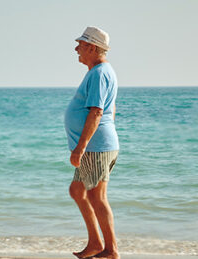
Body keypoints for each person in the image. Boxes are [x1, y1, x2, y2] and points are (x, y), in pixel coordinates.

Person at [65, 26, 120, 259]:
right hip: (98, 145)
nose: (77, 48)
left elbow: (97, 111)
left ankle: (110, 249)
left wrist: (82, 146)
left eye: (81, 44)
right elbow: (111, 109)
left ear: (92, 47)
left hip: (95, 148)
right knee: (78, 191)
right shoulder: (99, 72)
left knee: (96, 197)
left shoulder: (99, 73)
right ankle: (96, 243)